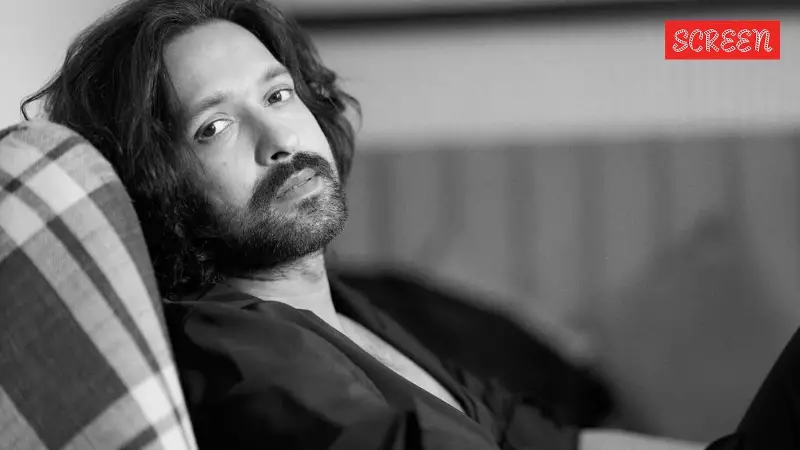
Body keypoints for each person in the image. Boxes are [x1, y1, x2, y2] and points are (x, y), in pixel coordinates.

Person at [20, 0, 795, 448]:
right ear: (157, 183)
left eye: (279, 95)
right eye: (213, 127)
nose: (279, 137)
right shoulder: (236, 356)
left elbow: (544, 439)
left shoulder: (349, 311)